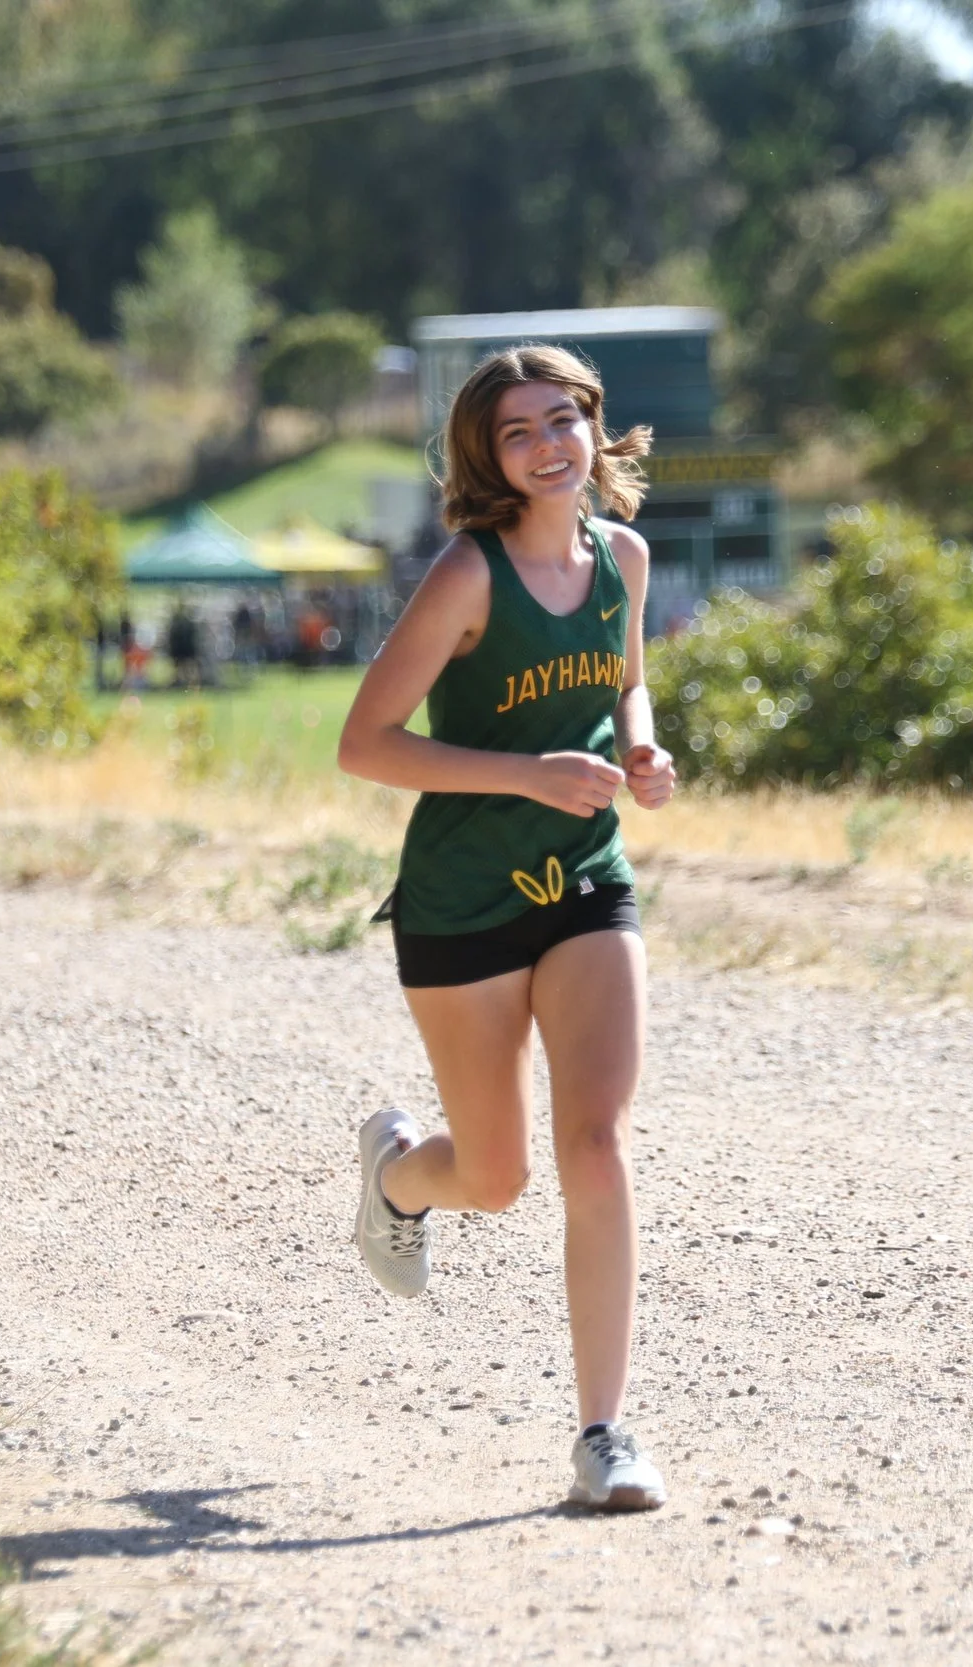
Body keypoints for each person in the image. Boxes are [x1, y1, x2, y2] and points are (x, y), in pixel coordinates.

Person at [336, 345, 676, 1513]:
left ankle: (604, 1431)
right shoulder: (466, 576)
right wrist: (528, 774)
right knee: (495, 1174)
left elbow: (624, 678)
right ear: (489, 456)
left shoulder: (621, 555)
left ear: (593, 427)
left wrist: (640, 740)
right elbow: (366, 742)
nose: (545, 445)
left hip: (583, 877)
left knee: (596, 1140)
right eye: (517, 431)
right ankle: (398, 1177)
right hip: (462, 899)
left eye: (561, 420)